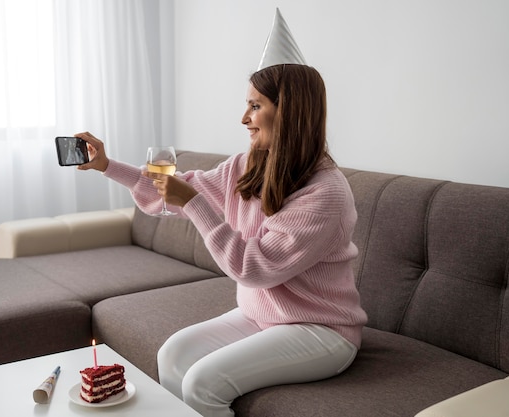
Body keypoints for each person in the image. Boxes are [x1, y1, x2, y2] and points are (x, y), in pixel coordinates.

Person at [75, 9, 367, 417]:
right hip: (260, 315)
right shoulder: (247, 166)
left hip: (321, 330)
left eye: (255, 105)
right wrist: (108, 165)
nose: (243, 118)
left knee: (202, 382)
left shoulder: (325, 194)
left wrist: (194, 203)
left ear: (289, 112)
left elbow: (254, 267)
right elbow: (172, 191)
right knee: (173, 355)